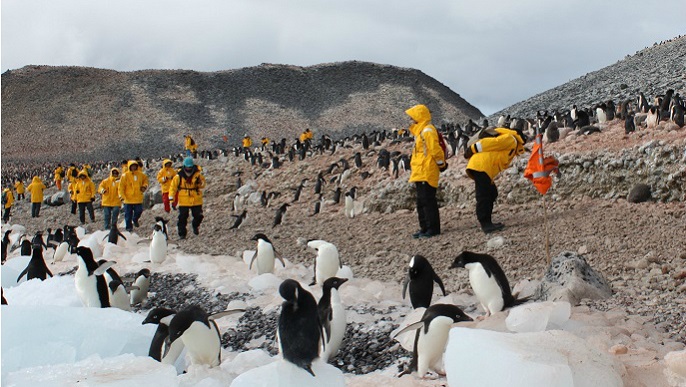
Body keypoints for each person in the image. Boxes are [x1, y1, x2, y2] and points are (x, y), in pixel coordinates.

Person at [464, 127, 526, 233]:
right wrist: (473, 148)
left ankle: (488, 221)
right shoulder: (511, 139)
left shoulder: (512, 143)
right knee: (484, 195)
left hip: (483, 167)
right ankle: (485, 223)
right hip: (481, 166)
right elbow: (493, 143)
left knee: (492, 193)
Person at [406, 104, 447, 239]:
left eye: (413, 117)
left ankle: (433, 229)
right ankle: (424, 228)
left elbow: (435, 150)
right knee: (420, 202)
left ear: (419, 117)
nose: (410, 120)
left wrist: (441, 164)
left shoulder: (428, 130)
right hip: (419, 171)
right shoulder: (419, 132)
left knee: (428, 201)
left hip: (427, 170)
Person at [169, 157, 205, 239]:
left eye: (190, 166)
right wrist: (172, 199)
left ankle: (195, 225)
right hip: (183, 198)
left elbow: (203, 184)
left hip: (196, 198)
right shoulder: (178, 176)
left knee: (199, 215)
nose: (189, 168)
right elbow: (173, 188)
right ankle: (182, 233)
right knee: (182, 217)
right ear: (184, 166)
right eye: (188, 166)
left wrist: (200, 183)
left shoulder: (198, 174)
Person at [118, 160, 149, 232]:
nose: (134, 167)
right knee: (128, 214)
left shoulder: (141, 175)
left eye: (135, 165)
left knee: (139, 211)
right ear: (129, 167)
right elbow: (121, 187)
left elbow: (146, 181)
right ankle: (129, 227)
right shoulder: (125, 176)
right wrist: (121, 196)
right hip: (128, 198)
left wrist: (144, 186)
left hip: (138, 197)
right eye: (132, 166)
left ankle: (135, 219)